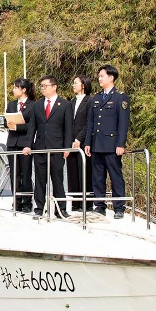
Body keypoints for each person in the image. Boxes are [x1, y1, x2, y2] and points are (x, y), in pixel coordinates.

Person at [84, 65, 131, 219]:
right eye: (99, 76)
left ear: (111, 78)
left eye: (102, 76)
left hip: (111, 144)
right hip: (97, 143)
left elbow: (123, 123)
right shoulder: (97, 98)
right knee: (97, 177)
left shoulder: (120, 97)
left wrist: (120, 144)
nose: (99, 79)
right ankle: (99, 206)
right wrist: (88, 142)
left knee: (115, 176)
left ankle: (119, 207)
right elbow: (91, 123)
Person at [23, 75, 73, 218]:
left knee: (57, 180)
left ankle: (61, 209)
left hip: (57, 148)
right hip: (40, 147)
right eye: (42, 86)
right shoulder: (37, 105)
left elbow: (68, 128)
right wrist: (28, 145)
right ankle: (39, 208)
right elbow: (32, 127)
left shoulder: (64, 104)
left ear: (54, 86)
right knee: (40, 180)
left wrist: (67, 147)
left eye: (46, 86)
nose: (43, 88)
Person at [5, 78, 36, 212]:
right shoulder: (11, 104)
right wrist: (9, 124)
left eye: (16, 87)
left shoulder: (33, 105)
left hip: (25, 143)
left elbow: (32, 125)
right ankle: (16, 201)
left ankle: (27, 202)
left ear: (23, 89)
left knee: (26, 174)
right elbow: (6, 120)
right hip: (12, 142)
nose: (13, 90)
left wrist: (18, 126)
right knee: (14, 174)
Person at [66, 75, 93, 211]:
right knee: (72, 173)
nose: (73, 85)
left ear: (83, 85)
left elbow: (89, 123)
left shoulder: (90, 101)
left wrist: (78, 139)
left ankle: (87, 204)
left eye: (76, 83)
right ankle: (75, 203)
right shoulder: (71, 103)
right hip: (71, 142)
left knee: (85, 172)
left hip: (83, 142)